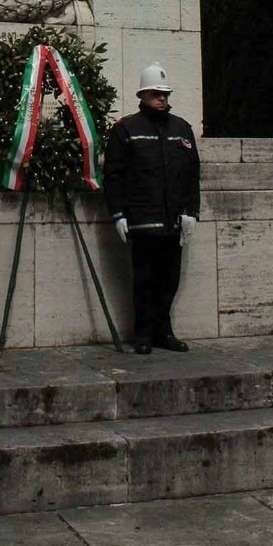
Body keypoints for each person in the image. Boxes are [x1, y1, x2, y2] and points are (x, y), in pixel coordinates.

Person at [104, 63, 200, 355]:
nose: (162, 99)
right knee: (144, 279)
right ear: (143, 95)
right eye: (156, 94)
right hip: (143, 220)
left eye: (165, 94)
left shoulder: (182, 128)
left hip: (173, 220)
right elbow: (113, 175)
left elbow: (192, 174)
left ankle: (163, 331)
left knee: (169, 280)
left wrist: (192, 212)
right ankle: (143, 332)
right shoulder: (126, 129)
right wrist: (118, 213)